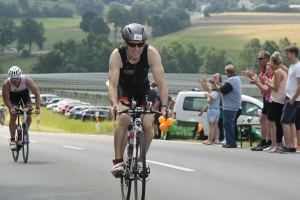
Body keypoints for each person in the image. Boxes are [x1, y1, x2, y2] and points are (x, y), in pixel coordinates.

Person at [108, 23, 169, 179]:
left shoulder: (151, 53)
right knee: (124, 118)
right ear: (125, 43)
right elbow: (113, 85)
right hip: (124, 89)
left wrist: (164, 106)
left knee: (148, 125)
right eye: (132, 45)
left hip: (143, 89)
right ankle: (118, 161)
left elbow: (161, 83)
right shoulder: (117, 55)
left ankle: (141, 161)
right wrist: (114, 105)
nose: (136, 49)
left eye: (140, 44)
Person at [2, 66, 41, 150]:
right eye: (13, 80)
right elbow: (5, 98)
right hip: (13, 97)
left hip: (25, 96)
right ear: (10, 78)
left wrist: (37, 107)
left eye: (17, 79)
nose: (15, 82)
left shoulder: (27, 80)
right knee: (13, 116)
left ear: (20, 77)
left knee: (29, 114)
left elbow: (37, 94)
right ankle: (12, 140)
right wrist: (11, 107)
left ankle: (25, 134)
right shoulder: (6, 84)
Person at [242, 51, 271, 151]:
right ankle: (265, 141)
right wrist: (252, 77)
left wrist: (254, 78)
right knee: (265, 120)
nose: (258, 60)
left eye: (260, 58)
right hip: (266, 96)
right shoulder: (263, 69)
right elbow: (259, 83)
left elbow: (263, 81)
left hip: (269, 96)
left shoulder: (268, 69)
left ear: (267, 60)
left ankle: (267, 141)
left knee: (265, 120)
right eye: (258, 58)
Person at [259, 52, 287, 153]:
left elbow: (275, 87)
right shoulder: (282, 70)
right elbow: (276, 84)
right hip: (280, 98)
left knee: (277, 124)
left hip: (277, 99)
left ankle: (278, 145)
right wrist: (266, 79)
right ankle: (278, 144)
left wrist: (265, 82)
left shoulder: (278, 72)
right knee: (278, 123)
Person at [213, 64, 242, 148]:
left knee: (228, 124)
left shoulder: (231, 80)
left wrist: (215, 85)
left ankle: (231, 142)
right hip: (233, 105)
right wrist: (217, 83)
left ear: (227, 73)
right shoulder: (236, 79)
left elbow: (222, 90)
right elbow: (225, 88)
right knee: (229, 124)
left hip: (230, 106)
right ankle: (229, 141)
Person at [279, 45, 300, 153]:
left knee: (284, 121)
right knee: (291, 122)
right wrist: (285, 69)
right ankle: (291, 146)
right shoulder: (293, 66)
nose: (285, 55)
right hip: (289, 96)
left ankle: (286, 145)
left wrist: (293, 98)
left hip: (293, 98)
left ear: (293, 54)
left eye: (287, 53)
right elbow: (292, 76)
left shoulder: (298, 67)